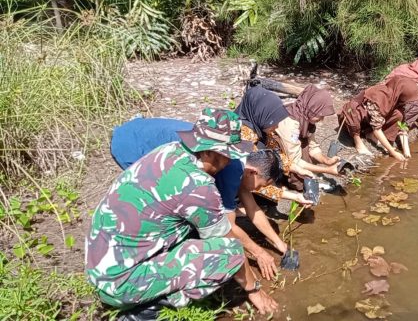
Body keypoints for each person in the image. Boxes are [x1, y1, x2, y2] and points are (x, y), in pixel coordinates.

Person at [86, 109, 278, 320]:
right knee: (230, 252)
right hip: (120, 284)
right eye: (226, 155)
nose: (229, 162)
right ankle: (146, 310)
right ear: (209, 152)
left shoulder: (169, 150)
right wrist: (254, 290)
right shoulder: (199, 187)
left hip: (100, 265)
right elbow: (228, 240)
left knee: (194, 231)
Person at [109, 112, 310, 281]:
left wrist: (281, 246)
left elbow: (253, 209)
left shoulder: (239, 157)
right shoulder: (229, 170)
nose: (260, 190)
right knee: (157, 202)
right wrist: (258, 253)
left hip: (139, 128)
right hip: (131, 145)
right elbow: (227, 228)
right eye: (263, 186)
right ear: (252, 173)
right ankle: (141, 260)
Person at [340, 76, 418, 161]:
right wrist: (393, 152)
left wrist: (407, 153)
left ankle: (370, 135)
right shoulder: (379, 96)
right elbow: (376, 128)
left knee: (399, 114)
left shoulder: (394, 97)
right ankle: (358, 142)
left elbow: (402, 124)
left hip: (368, 121)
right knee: (352, 111)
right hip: (351, 120)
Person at [278, 85, 340, 190]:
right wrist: (328, 170)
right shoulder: (290, 121)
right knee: (300, 173)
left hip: (292, 147)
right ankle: (285, 181)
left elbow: (313, 146)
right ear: (312, 107)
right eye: (320, 114)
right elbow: (294, 160)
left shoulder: (307, 116)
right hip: (275, 149)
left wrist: (326, 161)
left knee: (306, 149)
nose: (322, 119)